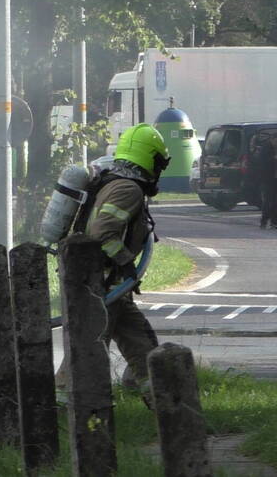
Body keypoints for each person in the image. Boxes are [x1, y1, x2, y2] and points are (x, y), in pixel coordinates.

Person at [55, 123, 170, 401]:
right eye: (158, 162)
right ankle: (61, 406)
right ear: (149, 157)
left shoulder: (114, 181)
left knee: (139, 340)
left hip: (104, 284)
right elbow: (102, 232)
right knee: (88, 349)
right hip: (101, 284)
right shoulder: (127, 188)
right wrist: (126, 262)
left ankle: (164, 403)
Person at [254, 135, 277, 229]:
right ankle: (264, 221)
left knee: (275, 201)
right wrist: (273, 158)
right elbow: (261, 163)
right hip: (268, 179)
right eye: (276, 140)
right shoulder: (265, 148)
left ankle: (274, 222)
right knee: (267, 201)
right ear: (271, 140)